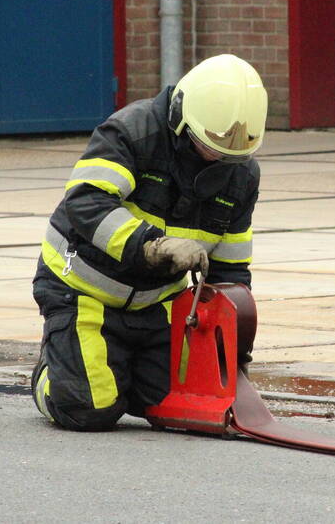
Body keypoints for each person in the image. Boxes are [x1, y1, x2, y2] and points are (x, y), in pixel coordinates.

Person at [30, 54, 267, 431]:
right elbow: (86, 202)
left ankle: (115, 368)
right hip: (82, 289)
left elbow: (232, 267)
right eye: (214, 148)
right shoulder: (132, 132)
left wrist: (230, 354)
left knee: (182, 407)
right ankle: (52, 378)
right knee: (90, 408)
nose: (222, 160)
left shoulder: (241, 175)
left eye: (232, 156)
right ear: (182, 123)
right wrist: (152, 246)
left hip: (157, 304)